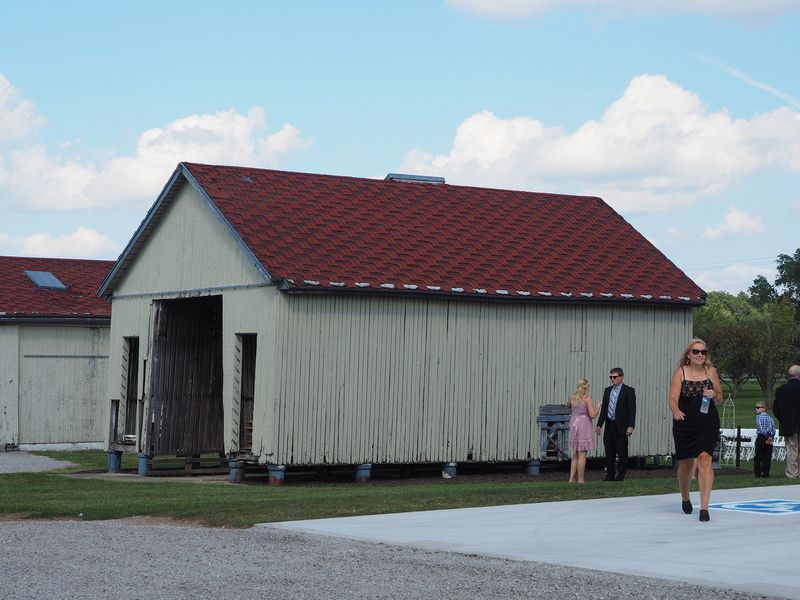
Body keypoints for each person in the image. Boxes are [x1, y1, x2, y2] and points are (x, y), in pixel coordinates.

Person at [668, 338, 723, 522]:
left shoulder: (711, 372)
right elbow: (673, 397)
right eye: (696, 352)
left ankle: (705, 508)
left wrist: (714, 394)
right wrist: (675, 411)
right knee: (686, 464)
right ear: (689, 354)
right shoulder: (681, 372)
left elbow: (720, 396)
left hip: (708, 422)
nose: (700, 355)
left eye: (703, 352)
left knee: (705, 458)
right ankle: (685, 496)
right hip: (685, 422)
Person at [595, 367, 636, 481]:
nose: (612, 379)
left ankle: (621, 475)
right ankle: (610, 475)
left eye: (614, 377)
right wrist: (599, 425)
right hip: (609, 424)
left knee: (622, 452)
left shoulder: (628, 391)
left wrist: (630, 426)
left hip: (621, 426)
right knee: (609, 451)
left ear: (621, 377)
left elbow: (632, 410)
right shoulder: (607, 391)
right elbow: (604, 410)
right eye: (611, 377)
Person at [567, 377, 601, 483]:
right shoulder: (587, 398)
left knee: (576, 453)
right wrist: (599, 406)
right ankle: (581, 480)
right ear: (585, 386)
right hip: (583, 424)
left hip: (574, 424)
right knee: (582, 454)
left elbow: (569, 406)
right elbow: (593, 415)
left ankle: (571, 479)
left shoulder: (572, 397)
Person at [773, 365, 800, 478]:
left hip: (788, 424)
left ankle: (793, 473)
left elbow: (776, 409)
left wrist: (784, 418)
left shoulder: (780, 390)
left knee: (791, 449)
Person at [753, 401, 776, 478]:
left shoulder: (758, 417)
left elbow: (761, 429)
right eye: (756, 407)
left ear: (764, 409)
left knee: (758, 456)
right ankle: (766, 473)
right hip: (770, 438)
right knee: (767, 456)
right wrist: (770, 436)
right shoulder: (770, 418)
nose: (756, 409)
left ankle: (758, 473)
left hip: (761, 437)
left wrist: (766, 436)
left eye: (758, 407)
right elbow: (773, 429)